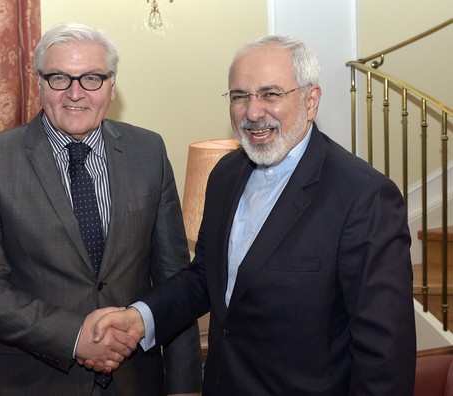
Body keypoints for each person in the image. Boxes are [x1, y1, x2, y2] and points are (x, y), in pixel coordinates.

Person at [92, 35, 417, 395]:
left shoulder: (364, 197)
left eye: (271, 94)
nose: (252, 111)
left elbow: (384, 360)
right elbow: (206, 276)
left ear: (311, 101)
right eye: (239, 96)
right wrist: (141, 318)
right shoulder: (226, 175)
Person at [0, 22, 201, 396]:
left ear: (112, 86)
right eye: (59, 78)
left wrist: (184, 387)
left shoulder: (149, 152)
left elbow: (175, 280)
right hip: (34, 383)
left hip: (136, 382)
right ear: (39, 83)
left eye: (92, 79)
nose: (75, 94)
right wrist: (74, 336)